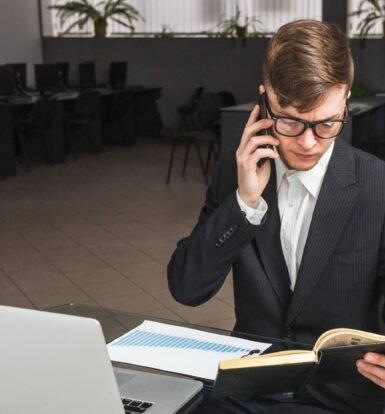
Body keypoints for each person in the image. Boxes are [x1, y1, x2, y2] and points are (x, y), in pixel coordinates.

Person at [167, 19, 385, 414]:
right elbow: (186, 288)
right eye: (290, 120)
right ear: (265, 100)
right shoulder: (234, 175)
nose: (307, 142)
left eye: (327, 123)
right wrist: (244, 203)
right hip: (247, 395)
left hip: (340, 402)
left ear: (346, 99)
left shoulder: (377, 185)